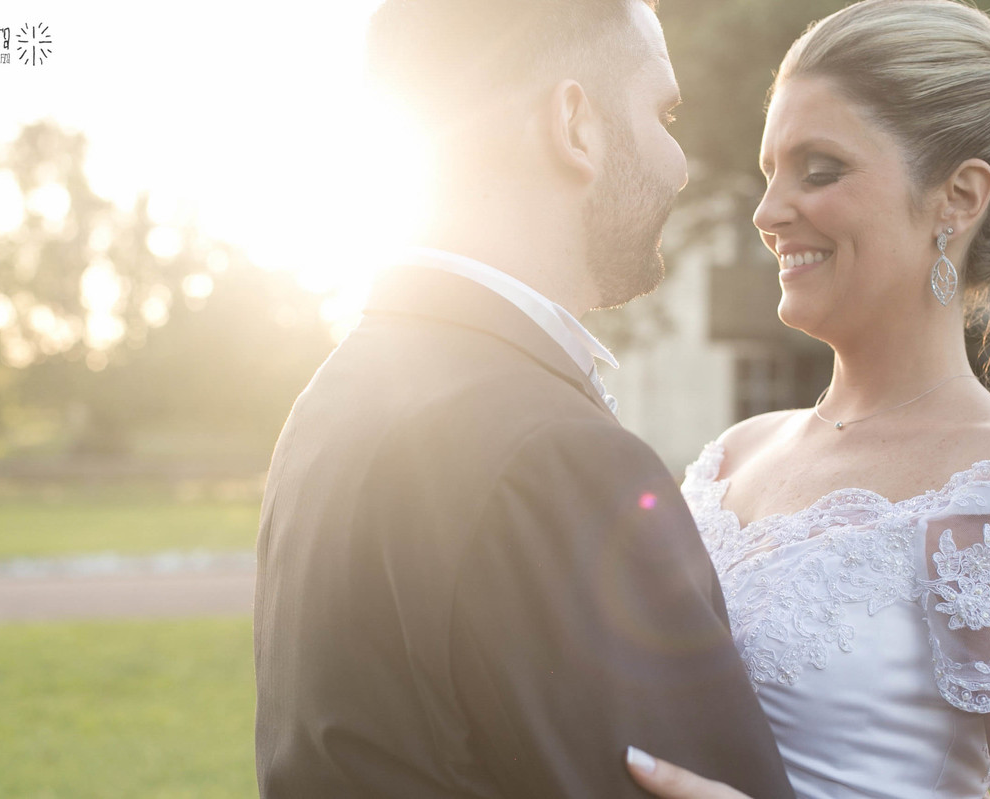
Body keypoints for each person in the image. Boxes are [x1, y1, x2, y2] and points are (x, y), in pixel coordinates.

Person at [252, 1, 794, 796]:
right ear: (575, 122)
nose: (680, 163)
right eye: (663, 112)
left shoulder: (333, 396)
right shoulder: (555, 454)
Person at [623, 0, 990, 797]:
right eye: (769, 173)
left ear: (958, 197)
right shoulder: (730, 457)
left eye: (819, 170)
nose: (767, 212)